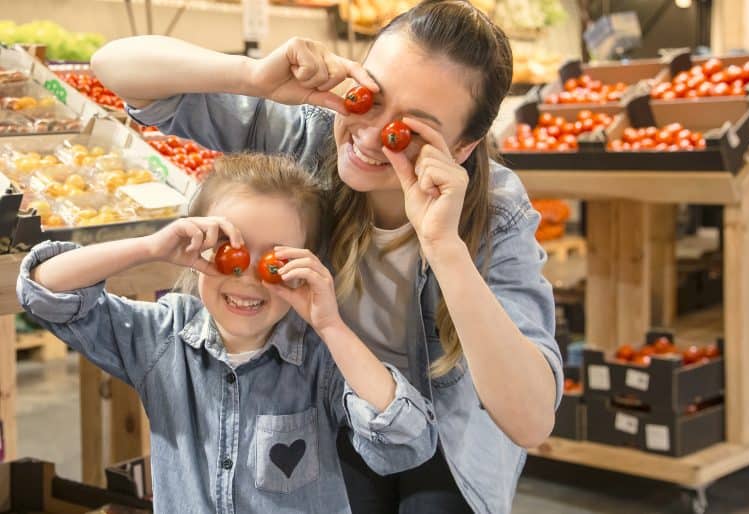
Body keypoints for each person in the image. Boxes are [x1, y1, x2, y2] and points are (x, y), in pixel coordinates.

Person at [92, 1, 564, 512]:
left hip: (447, 433)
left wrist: (444, 248)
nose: (368, 135)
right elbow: (116, 67)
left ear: (464, 147)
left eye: (410, 131)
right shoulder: (310, 134)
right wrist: (252, 76)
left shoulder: (496, 212)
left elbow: (531, 420)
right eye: (368, 98)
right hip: (323, 405)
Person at [16, 153, 438, 514]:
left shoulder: (321, 356)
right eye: (229, 251)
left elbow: (408, 442)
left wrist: (331, 327)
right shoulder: (163, 338)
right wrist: (150, 248)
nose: (248, 278)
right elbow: (43, 292)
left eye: (274, 260)